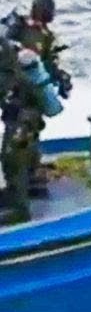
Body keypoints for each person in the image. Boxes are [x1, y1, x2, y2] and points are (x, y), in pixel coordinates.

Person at [2, 0, 72, 197]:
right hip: (17, 91)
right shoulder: (19, 28)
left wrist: (61, 78)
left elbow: (50, 62)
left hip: (32, 92)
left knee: (29, 133)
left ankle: (29, 176)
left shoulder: (46, 36)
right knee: (18, 137)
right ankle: (18, 184)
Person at [0, 44, 50, 225]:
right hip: (20, 114)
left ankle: (19, 209)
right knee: (14, 156)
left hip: (23, 116)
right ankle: (23, 189)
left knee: (14, 158)